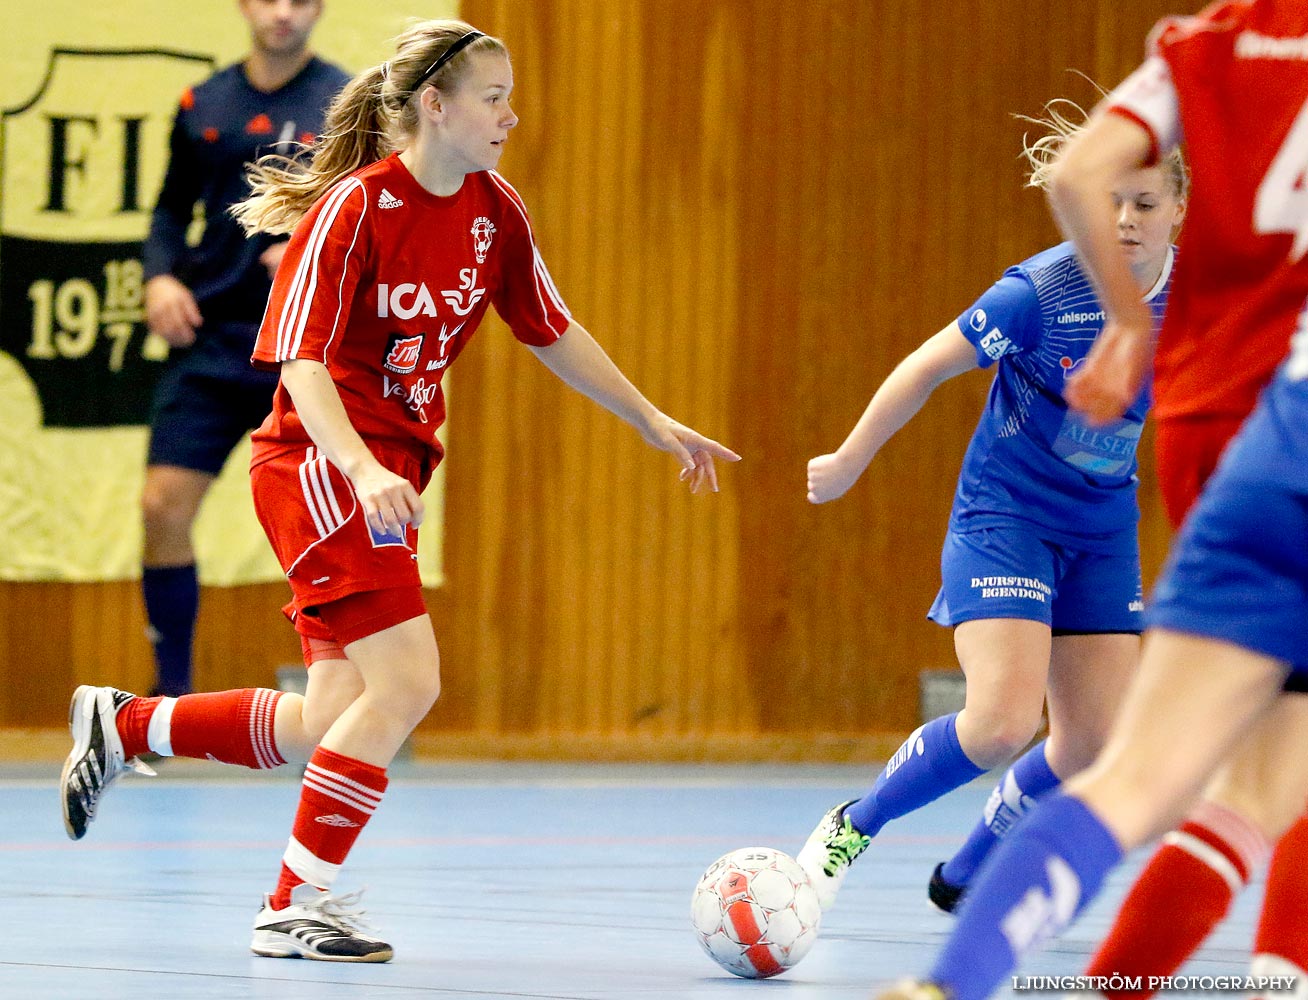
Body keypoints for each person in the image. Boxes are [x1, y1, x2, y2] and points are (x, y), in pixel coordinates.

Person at [60, 19, 739, 963]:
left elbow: (551, 327)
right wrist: (365, 469)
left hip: (385, 478)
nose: (512, 115)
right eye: (493, 97)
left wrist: (651, 417)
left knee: (330, 715)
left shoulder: (494, 210)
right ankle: (296, 901)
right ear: (435, 104)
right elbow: (299, 371)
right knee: (411, 680)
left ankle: (128, 724)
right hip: (319, 467)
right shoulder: (352, 210)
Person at [877, 3, 1308, 1000]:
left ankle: (959, 981)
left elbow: (1077, 171)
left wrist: (1123, 320)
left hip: (1248, 456)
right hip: (1234, 437)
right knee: (1269, 791)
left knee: (1157, 781)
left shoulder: (1206, 46)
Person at [796, 108, 1186, 913]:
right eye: (1109, 200)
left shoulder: (1203, 299)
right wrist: (849, 458)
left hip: (1103, 528)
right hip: (1005, 517)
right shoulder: (1042, 291)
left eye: (1145, 203)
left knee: (1091, 747)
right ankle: (854, 824)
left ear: (1179, 208)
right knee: (1002, 723)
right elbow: (927, 365)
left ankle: (973, 862)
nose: (1124, 220)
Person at [140, 0, 348, 697]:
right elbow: (170, 208)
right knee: (162, 507)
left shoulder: (346, 104)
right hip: (212, 341)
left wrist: (310, 248)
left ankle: (336, 700)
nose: (282, 13)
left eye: (298, 0)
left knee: (322, 522)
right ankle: (168, 703)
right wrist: (160, 275)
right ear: (243, 6)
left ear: (318, 9)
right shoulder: (204, 102)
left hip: (304, 347)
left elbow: (371, 212)